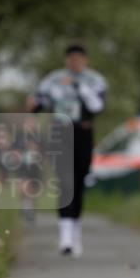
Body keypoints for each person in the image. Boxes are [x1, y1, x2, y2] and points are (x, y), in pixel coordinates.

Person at [29, 44, 107, 256]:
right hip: (59, 133)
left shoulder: (95, 80)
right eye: (71, 59)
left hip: (83, 132)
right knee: (64, 181)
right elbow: (38, 102)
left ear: (85, 60)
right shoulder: (53, 79)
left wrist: (77, 86)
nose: (75, 63)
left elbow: (97, 107)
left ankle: (75, 230)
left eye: (78, 59)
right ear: (66, 60)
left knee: (79, 181)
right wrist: (34, 106)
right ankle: (65, 237)